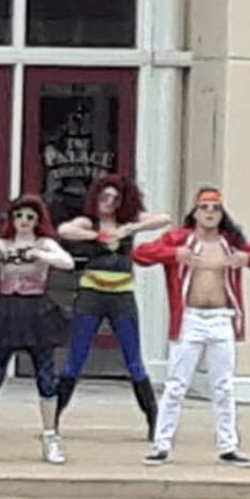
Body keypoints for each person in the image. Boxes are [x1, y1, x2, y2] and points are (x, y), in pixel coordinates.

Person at [134, 187, 250, 467]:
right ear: (195, 212)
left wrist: (248, 259)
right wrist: (174, 254)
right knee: (176, 385)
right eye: (205, 207)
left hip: (222, 319)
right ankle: (161, 445)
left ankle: (228, 446)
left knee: (223, 386)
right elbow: (141, 254)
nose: (210, 212)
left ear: (222, 214)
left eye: (215, 208)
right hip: (190, 319)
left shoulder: (232, 244)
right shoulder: (180, 240)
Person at [0, 194, 75, 464]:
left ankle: (50, 436)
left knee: (46, 376)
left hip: (37, 311)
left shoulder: (44, 243)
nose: (24, 221)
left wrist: (40, 254)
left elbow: (67, 262)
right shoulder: (3, 243)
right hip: (6, 311)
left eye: (30, 217)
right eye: (19, 216)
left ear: (38, 220)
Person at [55, 175, 171, 439]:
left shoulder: (128, 221)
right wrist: (98, 235)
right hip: (91, 296)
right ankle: (54, 419)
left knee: (134, 361)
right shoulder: (89, 221)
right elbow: (65, 230)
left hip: (121, 296)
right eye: (104, 197)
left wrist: (130, 229)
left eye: (115, 198)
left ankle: (154, 421)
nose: (109, 203)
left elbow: (164, 219)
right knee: (75, 359)